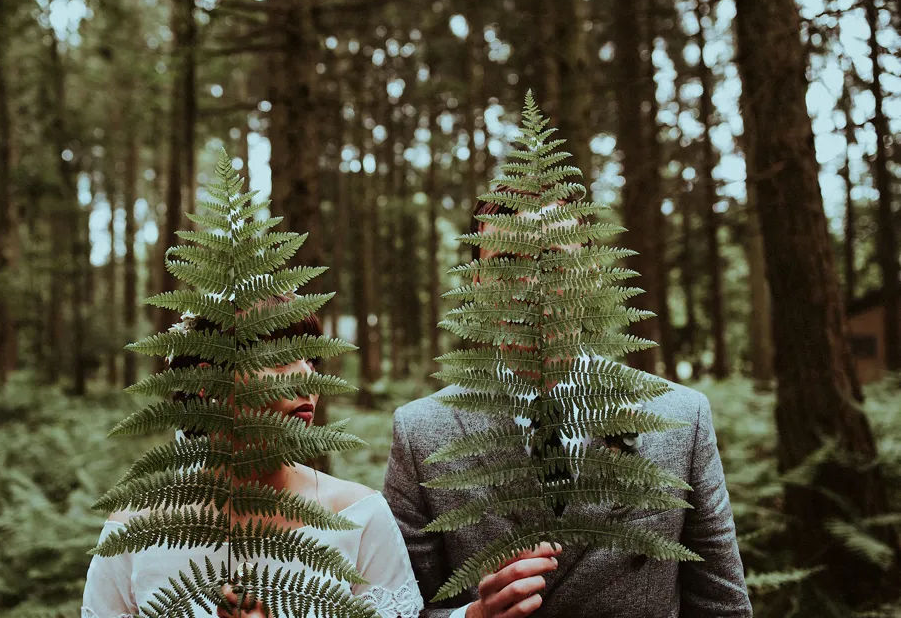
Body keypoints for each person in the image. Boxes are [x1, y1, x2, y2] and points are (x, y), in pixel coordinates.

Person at [384, 194, 753, 618]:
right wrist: (470, 617)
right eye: (507, 263)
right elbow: (399, 608)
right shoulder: (422, 432)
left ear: (590, 276)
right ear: (479, 283)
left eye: (553, 260)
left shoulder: (679, 418)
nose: (531, 286)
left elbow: (722, 606)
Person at [82, 296, 424, 618]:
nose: (308, 378)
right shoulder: (134, 528)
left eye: (312, 360)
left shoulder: (359, 516)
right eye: (278, 358)